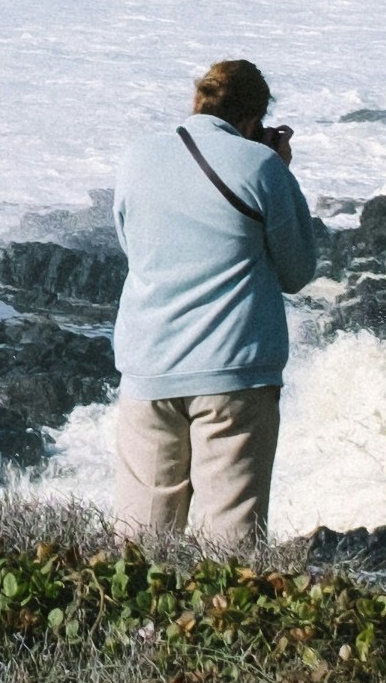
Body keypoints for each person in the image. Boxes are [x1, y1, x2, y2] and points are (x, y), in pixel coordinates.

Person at [112, 57, 321, 559]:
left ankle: (136, 636)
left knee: (140, 550)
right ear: (253, 120)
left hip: (149, 370)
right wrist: (279, 170)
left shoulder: (137, 157)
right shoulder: (263, 167)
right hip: (235, 374)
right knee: (227, 553)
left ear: (197, 101)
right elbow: (297, 271)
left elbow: (130, 244)